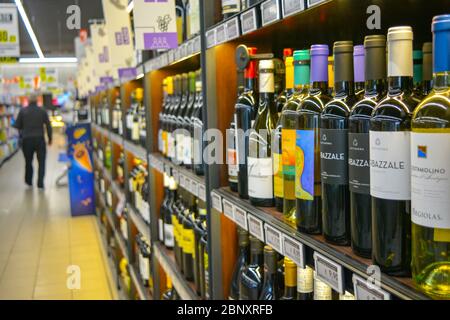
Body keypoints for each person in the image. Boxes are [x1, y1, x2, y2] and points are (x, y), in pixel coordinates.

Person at [13, 93, 52, 189]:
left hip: (27, 140)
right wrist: (50, 138)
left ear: (28, 100)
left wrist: (22, 134)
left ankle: (29, 181)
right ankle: (40, 182)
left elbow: (17, 126)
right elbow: (48, 125)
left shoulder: (22, 111)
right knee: (41, 162)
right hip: (39, 139)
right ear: (37, 100)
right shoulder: (42, 111)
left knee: (28, 161)